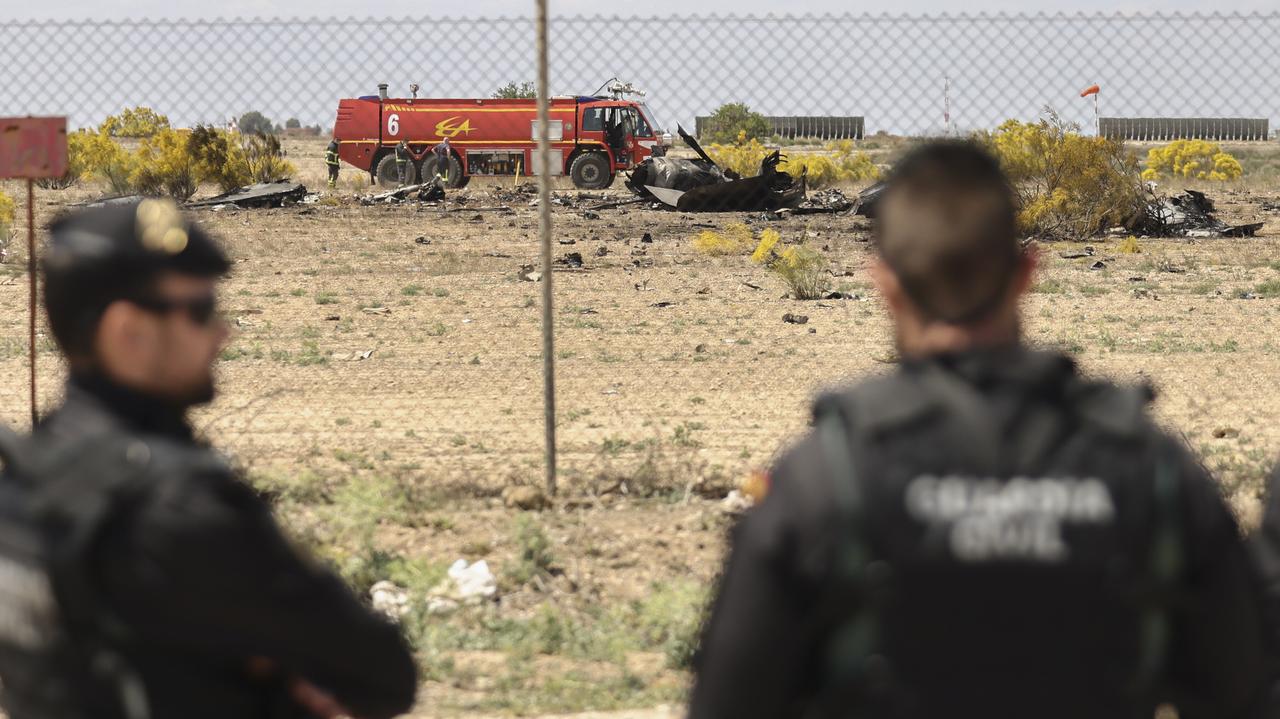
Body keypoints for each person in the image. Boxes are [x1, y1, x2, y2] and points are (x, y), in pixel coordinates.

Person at [688, 141, 1267, 719]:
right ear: (1026, 273)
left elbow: (728, 698)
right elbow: (1243, 689)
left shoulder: (822, 479)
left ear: (884, 284)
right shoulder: (1153, 469)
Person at [0, 198, 418, 719]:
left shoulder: (24, 479)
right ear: (127, 331)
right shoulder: (175, 504)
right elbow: (384, 674)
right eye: (199, 311)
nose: (223, 333)